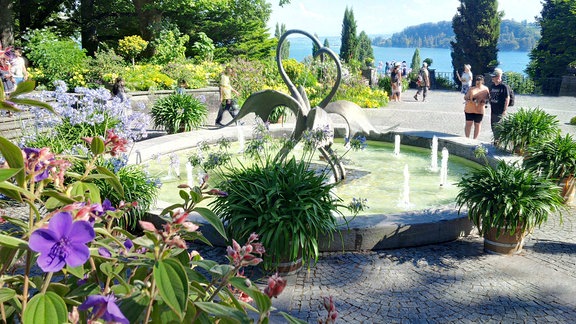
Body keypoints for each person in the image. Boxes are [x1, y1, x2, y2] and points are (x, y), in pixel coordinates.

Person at [463, 75, 490, 139]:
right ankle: (467, 138)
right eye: (476, 82)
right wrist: (468, 99)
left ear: (482, 82)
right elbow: (465, 97)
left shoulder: (486, 89)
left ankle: (475, 139)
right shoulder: (472, 88)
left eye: (479, 83)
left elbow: (488, 98)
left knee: (477, 124)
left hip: (480, 109)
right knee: (468, 123)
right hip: (470, 108)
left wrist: (484, 101)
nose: (477, 84)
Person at [488, 68, 510, 139]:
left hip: (500, 111)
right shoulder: (492, 86)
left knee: (498, 128)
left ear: (498, 77)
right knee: (493, 127)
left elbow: (507, 98)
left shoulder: (503, 87)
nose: (492, 78)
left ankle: (497, 143)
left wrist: (504, 110)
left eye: (493, 77)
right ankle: (496, 142)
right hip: (493, 110)